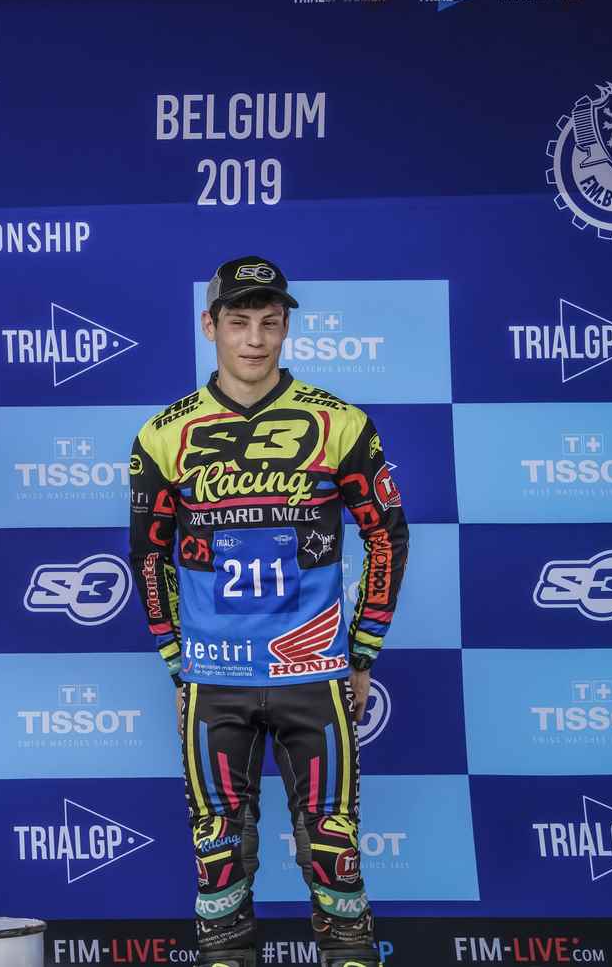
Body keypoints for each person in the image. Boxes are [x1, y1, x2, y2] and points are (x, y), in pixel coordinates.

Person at [126, 257, 408, 967]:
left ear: (286, 328)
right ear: (210, 326)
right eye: (239, 322)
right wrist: (176, 660)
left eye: (270, 322)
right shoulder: (164, 434)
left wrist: (364, 651)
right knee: (218, 853)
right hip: (214, 677)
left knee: (335, 849)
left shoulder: (339, 422)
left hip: (313, 672)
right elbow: (149, 557)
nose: (254, 339)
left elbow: (386, 534)